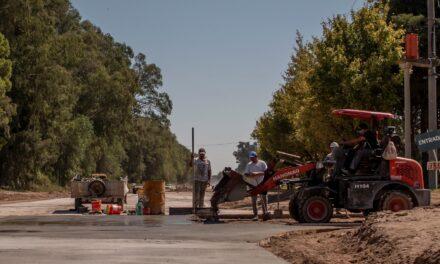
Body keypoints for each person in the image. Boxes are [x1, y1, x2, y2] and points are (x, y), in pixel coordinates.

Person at [243, 151, 269, 221]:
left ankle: (265, 213)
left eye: (253, 158)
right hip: (252, 185)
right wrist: (250, 175)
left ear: (256, 157)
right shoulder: (249, 165)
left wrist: (257, 173)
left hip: (262, 184)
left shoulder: (262, 163)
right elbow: (246, 174)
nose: (252, 159)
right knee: (254, 201)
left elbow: (266, 172)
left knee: (264, 199)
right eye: (250, 158)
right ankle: (255, 215)